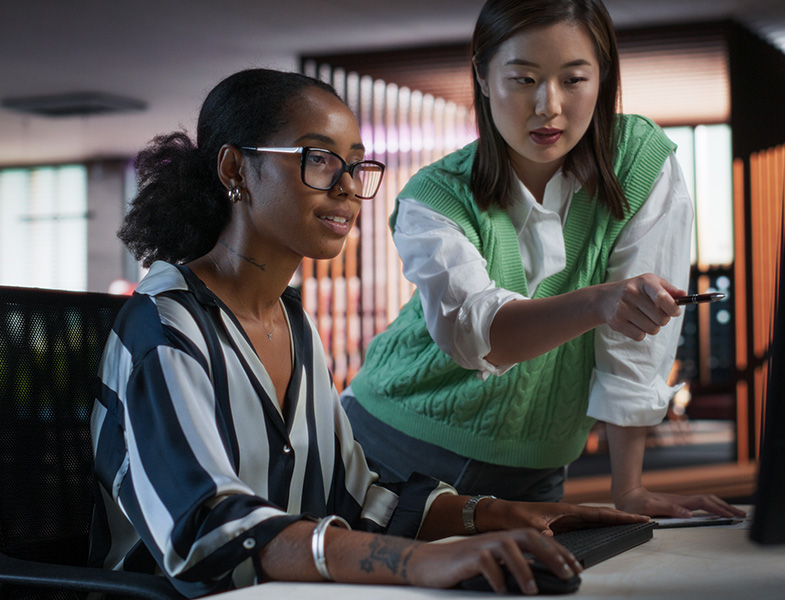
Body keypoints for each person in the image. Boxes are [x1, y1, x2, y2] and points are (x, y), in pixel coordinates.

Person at [90, 68, 646, 598]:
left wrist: (496, 513)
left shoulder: (293, 321)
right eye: (320, 160)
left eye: (356, 166)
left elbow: (356, 498)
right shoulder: (166, 326)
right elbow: (207, 531)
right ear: (235, 169)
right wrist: (420, 563)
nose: (349, 187)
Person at [343, 0, 746, 520]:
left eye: (574, 80)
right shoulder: (435, 195)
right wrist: (598, 302)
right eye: (523, 79)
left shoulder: (640, 162)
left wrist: (630, 488)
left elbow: (637, 339)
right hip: (386, 442)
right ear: (484, 77)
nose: (548, 106)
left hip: (533, 471)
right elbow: (474, 335)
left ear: (603, 78)